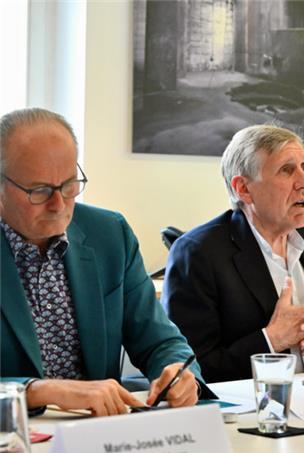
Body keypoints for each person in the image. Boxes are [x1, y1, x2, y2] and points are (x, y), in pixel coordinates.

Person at [0, 108, 201, 416]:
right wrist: (37, 391)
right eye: (40, 191)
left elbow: (159, 341)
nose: (59, 204)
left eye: (69, 185)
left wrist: (179, 374)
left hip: (100, 430)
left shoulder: (109, 234)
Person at [163, 125, 304, 383]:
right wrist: (272, 339)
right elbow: (189, 371)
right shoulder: (198, 253)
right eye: (286, 170)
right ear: (243, 189)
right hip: (252, 404)